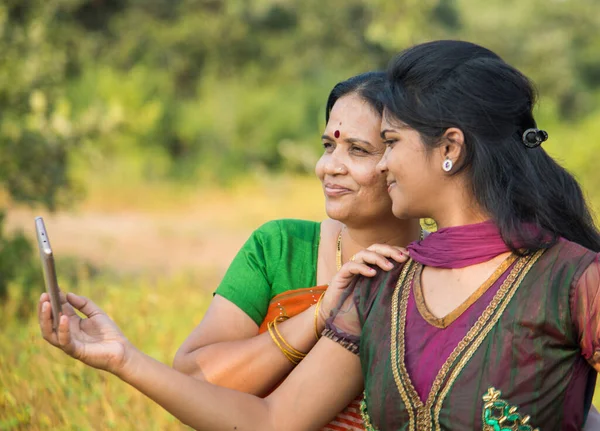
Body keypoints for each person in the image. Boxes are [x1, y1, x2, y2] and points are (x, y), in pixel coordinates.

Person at [39, 40, 600, 430]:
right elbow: (273, 420)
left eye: (388, 144)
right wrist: (122, 359)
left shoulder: (573, 279)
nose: (378, 167)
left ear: (450, 149)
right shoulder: (382, 286)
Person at [171, 71, 420, 431]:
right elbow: (193, 379)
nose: (327, 167)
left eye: (358, 150)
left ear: (403, 159)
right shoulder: (281, 247)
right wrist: (319, 316)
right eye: (328, 146)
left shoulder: (441, 270)